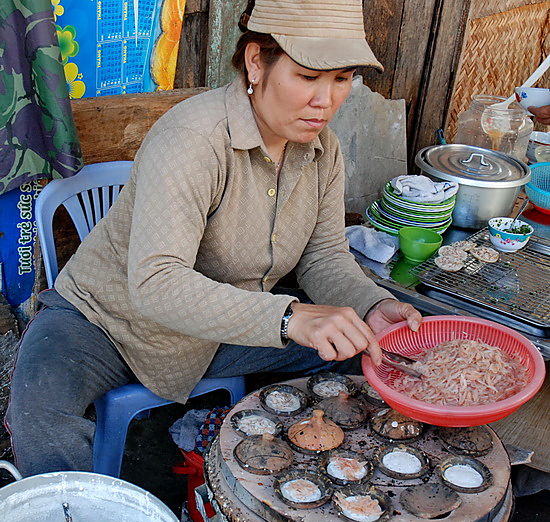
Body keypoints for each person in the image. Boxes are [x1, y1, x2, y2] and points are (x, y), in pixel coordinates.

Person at [6, 0, 422, 476]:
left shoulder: (322, 152)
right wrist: (289, 316)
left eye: (341, 78)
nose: (325, 100)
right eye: (308, 76)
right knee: (39, 419)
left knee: (365, 354)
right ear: (255, 63)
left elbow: (322, 255)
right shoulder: (193, 138)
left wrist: (370, 306)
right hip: (104, 322)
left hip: (217, 328)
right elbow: (157, 282)